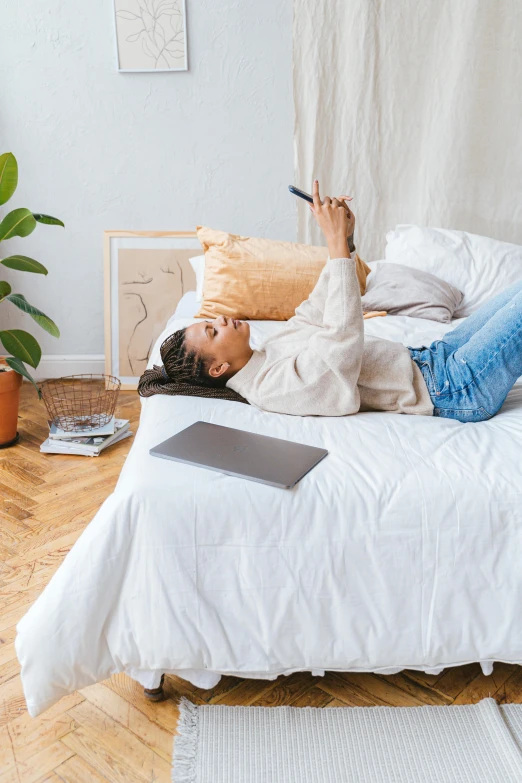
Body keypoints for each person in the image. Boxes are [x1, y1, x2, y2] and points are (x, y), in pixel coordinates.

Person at [139, 181, 522, 423]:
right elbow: (341, 343)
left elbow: (318, 311)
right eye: (211, 329)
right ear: (219, 367)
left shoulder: (265, 351)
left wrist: (346, 241)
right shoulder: (272, 389)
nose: (221, 319)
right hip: (454, 388)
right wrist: (335, 247)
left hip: (436, 357)